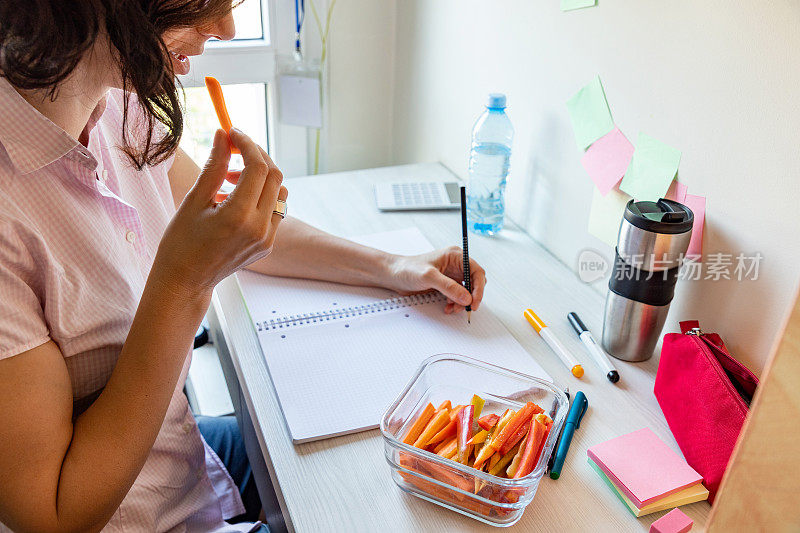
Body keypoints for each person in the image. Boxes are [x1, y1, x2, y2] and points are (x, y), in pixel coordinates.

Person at [0, 1, 486, 532]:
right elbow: (53, 516)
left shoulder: (116, 102)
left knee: (345, 464)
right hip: (141, 516)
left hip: (181, 455)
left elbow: (230, 225)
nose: (227, 28)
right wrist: (184, 284)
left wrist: (396, 266)